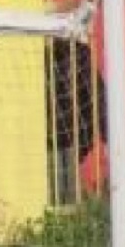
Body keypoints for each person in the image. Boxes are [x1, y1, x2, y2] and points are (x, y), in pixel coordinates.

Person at [47, 39, 107, 203]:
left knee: (66, 197)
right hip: (50, 142)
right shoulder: (42, 56)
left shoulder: (79, 54)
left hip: (70, 140)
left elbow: (97, 96)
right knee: (55, 196)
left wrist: (107, 135)